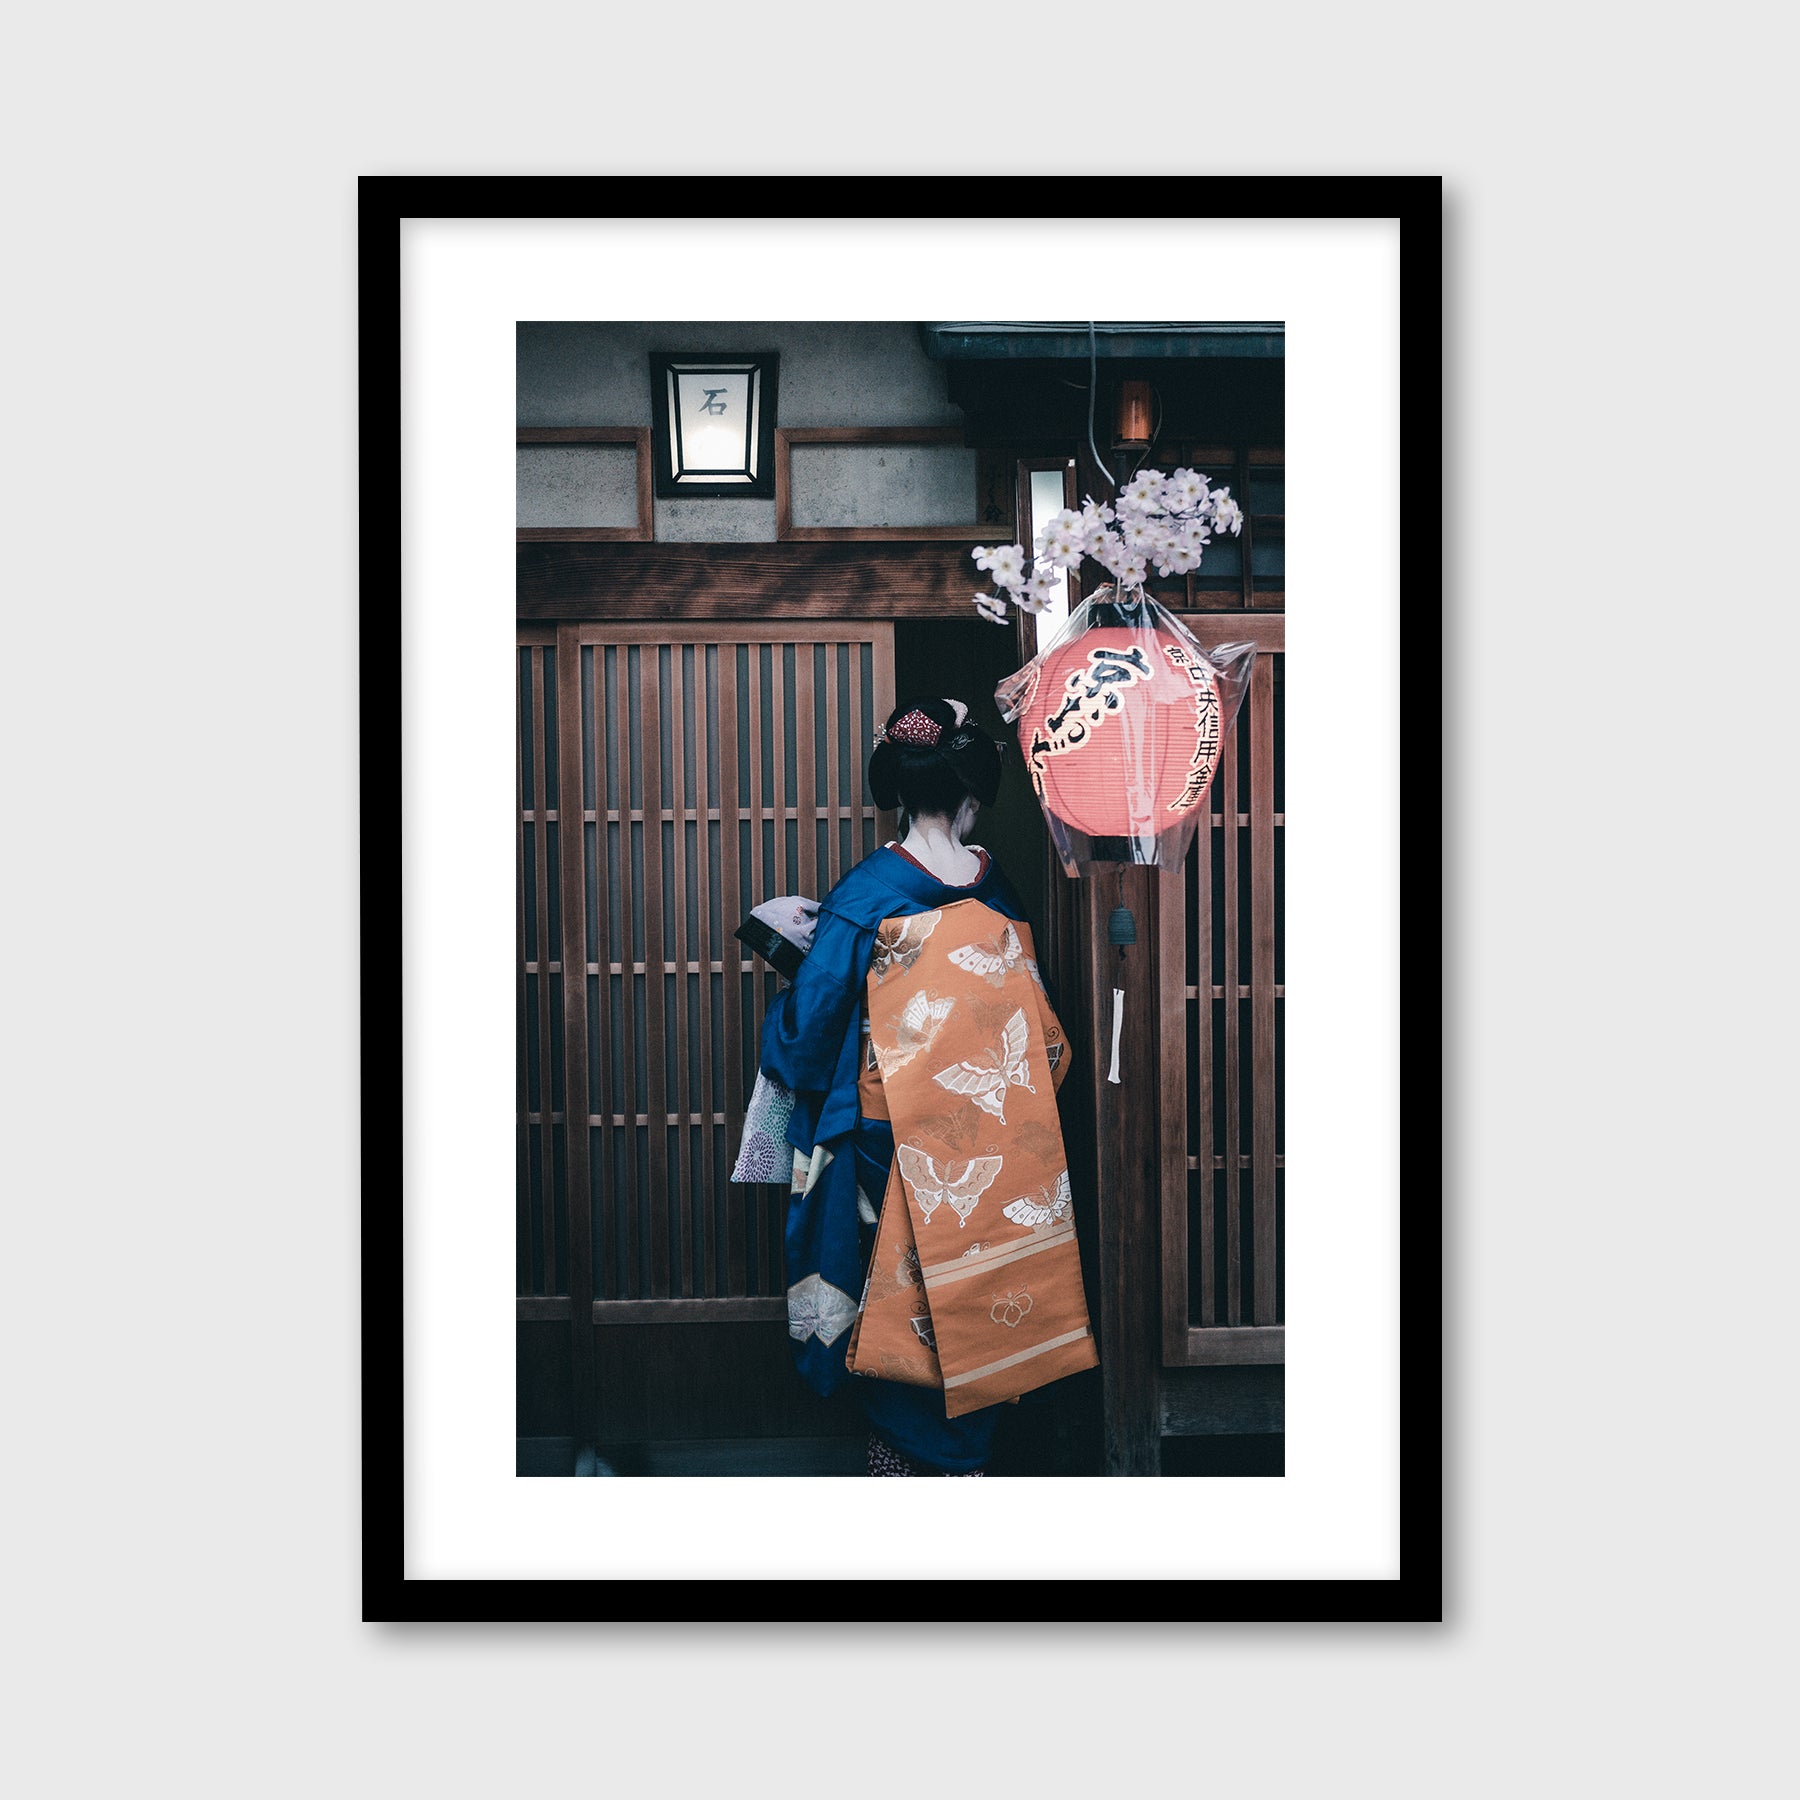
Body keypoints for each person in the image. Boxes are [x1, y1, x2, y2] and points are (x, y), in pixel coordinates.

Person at [758, 696, 1046, 1476]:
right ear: (971, 795)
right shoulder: (999, 891)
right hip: (990, 1134)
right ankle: (969, 1463)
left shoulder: (866, 894)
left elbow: (808, 1037)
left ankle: (906, 1466)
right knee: (975, 1282)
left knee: (900, 1292)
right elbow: (1039, 1034)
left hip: (890, 1137)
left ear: (898, 788)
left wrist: (791, 985)